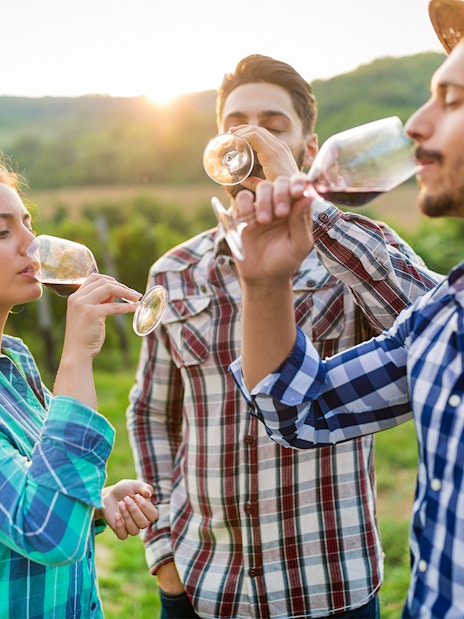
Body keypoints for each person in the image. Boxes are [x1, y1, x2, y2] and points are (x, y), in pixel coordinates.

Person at [126, 54, 442, 619]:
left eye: (272, 126)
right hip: (203, 585)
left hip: (330, 585)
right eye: (235, 124)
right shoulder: (173, 272)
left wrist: (308, 205)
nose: (249, 137)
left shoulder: (352, 254)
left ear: (307, 146)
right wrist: (165, 556)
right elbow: (151, 413)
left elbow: (443, 329)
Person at [228, 1, 464, 617]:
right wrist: (266, 284)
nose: (414, 124)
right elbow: (299, 409)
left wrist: (315, 206)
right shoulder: (446, 314)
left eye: (453, 98)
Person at [0, 163, 159, 618]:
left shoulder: (17, 364)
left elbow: (35, 492)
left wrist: (96, 503)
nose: (32, 245)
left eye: (27, 223)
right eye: (1, 232)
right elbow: (48, 533)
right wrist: (76, 358)